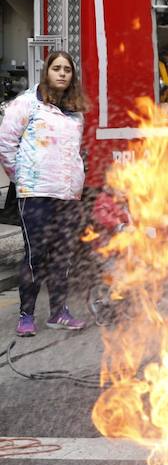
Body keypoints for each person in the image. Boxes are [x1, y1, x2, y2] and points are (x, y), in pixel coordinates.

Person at [0, 51, 88, 336]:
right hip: (35, 193)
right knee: (35, 254)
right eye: (57, 68)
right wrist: (22, 178)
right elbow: (6, 144)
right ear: (47, 72)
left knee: (62, 255)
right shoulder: (26, 103)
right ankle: (26, 315)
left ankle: (58, 312)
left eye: (67, 70)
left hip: (67, 195)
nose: (62, 73)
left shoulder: (75, 112)